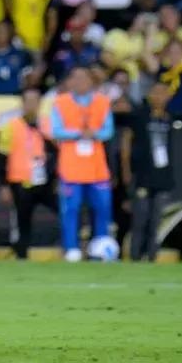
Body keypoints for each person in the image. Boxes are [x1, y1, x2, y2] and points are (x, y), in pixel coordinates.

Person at [45, 66, 115, 262]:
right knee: (70, 209)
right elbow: (56, 130)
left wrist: (94, 134)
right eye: (75, 78)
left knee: (102, 209)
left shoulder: (102, 102)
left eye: (84, 78)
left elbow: (108, 130)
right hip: (71, 168)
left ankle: (100, 248)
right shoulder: (60, 102)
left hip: (97, 168)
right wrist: (78, 134)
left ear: (91, 81)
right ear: (69, 82)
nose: (79, 82)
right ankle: (71, 249)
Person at [0, 88, 56, 260]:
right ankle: (22, 256)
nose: (31, 105)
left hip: (45, 181)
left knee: (63, 211)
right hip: (20, 181)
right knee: (22, 220)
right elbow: (1, 159)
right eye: (28, 101)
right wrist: (4, 185)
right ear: (22, 104)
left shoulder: (47, 124)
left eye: (35, 101)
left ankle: (72, 249)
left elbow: (56, 151)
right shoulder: (11, 126)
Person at [123, 82, 175, 262]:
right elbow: (126, 144)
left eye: (163, 93)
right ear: (149, 95)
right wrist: (126, 171)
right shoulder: (139, 117)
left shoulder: (169, 119)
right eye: (156, 93)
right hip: (142, 176)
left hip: (162, 177)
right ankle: (135, 256)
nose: (159, 97)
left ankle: (152, 256)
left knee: (157, 221)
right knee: (140, 220)